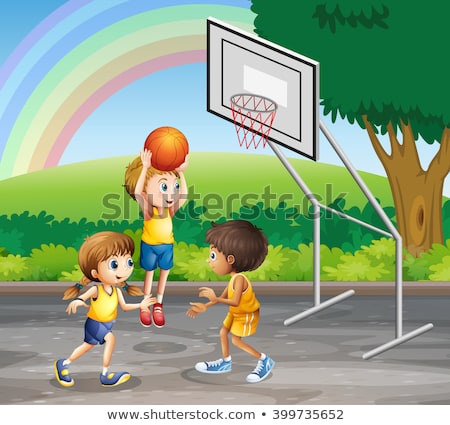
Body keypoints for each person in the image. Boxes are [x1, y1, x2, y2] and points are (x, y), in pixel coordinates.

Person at [54, 231, 156, 387]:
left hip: (107, 323)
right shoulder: (97, 290)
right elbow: (83, 296)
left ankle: (64, 363)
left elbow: (125, 307)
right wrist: (78, 301)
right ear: (95, 272)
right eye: (114, 265)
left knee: (87, 346)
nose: (123, 270)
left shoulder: (116, 291)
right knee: (110, 339)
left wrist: (140, 305)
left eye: (128, 262)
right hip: (95, 323)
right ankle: (105, 374)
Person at [186, 220, 275, 383]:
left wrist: (215, 298)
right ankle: (225, 363)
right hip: (235, 313)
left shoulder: (240, 279)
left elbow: (234, 301)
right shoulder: (233, 279)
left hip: (245, 314)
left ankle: (264, 360)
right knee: (222, 333)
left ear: (231, 259)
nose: (208, 261)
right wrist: (205, 306)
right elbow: (223, 298)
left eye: (213, 256)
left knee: (236, 340)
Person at [124, 148, 188, 328]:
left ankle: (158, 304)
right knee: (150, 274)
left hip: (166, 246)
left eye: (173, 186)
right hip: (150, 245)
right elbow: (137, 192)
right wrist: (145, 168)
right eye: (163, 187)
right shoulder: (148, 210)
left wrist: (181, 174)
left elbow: (183, 196)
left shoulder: (170, 210)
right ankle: (146, 304)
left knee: (164, 275)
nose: (171, 193)